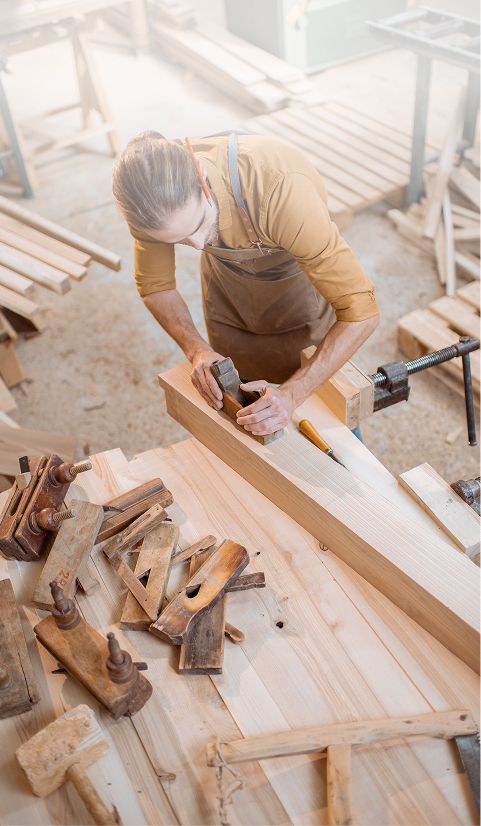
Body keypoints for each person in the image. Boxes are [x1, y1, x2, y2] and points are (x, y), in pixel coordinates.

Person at [112, 130, 379, 437]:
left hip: (296, 297)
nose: (199, 245)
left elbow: (362, 312)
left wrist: (292, 394)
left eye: (199, 223)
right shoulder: (149, 205)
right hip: (228, 299)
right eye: (179, 241)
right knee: (242, 420)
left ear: (200, 174)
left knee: (327, 414)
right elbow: (155, 285)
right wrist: (196, 349)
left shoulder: (280, 189)